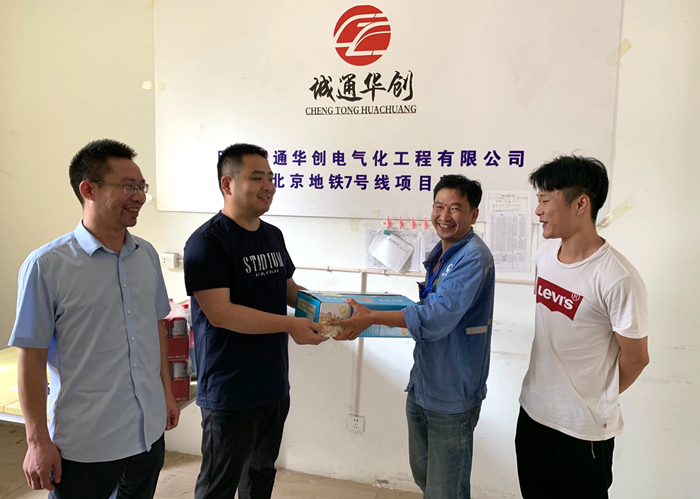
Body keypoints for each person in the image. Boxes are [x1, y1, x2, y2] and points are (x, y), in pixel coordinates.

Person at [10, 139, 180, 498]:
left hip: (147, 433)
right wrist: (37, 441)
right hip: (86, 443)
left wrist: (166, 392)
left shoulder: (146, 255)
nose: (139, 197)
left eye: (142, 186)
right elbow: (31, 358)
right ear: (88, 189)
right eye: (128, 186)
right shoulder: (47, 266)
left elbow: (155, 328)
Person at [333, 174, 495, 499]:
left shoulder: (473, 256)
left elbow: (436, 318)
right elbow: (428, 308)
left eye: (455, 208)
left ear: (474, 214)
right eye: (439, 206)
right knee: (426, 480)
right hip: (423, 384)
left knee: (446, 491)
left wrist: (372, 317)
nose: (444, 216)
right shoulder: (443, 252)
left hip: (452, 393)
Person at [183, 143, 328, 499]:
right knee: (219, 483)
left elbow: (287, 289)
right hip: (229, 388)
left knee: (260, 474)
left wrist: (329, 308)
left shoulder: (272, 234)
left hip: (272, 382)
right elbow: (221, 312)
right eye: (257, 177)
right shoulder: (207, 242)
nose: (268, 186)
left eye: (270, 178)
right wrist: (290, 325)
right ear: (227, 184)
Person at [516, 155, 649, 498]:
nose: (538, 210)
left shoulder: (618, 278)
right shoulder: (545, 255)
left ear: (580, 204)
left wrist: (593, 396)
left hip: (583, 431)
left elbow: (636, 359)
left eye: (546, 200)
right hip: (532, 413)